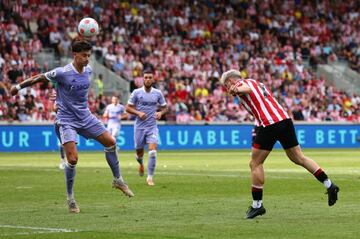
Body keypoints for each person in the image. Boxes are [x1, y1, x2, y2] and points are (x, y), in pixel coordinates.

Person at [10, 39, 134, 213]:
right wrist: (18, 87)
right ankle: (71, 199)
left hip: (85, 116)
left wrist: (59, 96)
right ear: (75, 55)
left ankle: (118, 180)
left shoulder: (89, 70)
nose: (87, 59)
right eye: (84, 55)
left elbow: (71, 91)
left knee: (111, 142)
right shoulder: (62, 72)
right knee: (73, 159)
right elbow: (39, 77)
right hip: (66, 120)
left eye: (89, 55)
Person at [219, 69, 339, 219]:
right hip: (284, 120)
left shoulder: (242, 83)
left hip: (270, 124)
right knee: (298, 158)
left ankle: (257, 205)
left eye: (225, 85)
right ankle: (329, 184)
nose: (226, 89)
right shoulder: (257, 82)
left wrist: (236, 88)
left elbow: (245, 88)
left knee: (255, 163)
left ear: (230, 81)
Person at [125, 69, 168, 186]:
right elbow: (127, 108)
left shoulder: (158, 93)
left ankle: (150, 178)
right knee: (139, 153)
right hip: (139, 127)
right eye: (146, 77)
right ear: (143, 79)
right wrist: (138, 113)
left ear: (153, 79)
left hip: (152, 126)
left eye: (150, 77)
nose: (148, 79)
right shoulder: (136, 92)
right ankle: (141, 163)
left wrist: (160, 113)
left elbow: (165, 107)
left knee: (153, 152)